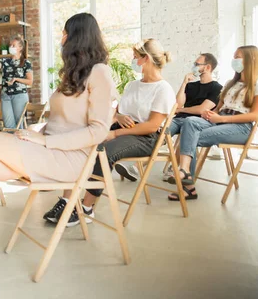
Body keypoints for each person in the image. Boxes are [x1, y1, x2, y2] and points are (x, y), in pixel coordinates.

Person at [0, 13, 115, 279]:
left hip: (69, 159)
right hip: (47, 149)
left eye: (65, 33)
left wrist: (46, 140)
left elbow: (98, 131)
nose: (62, 38)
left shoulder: (101, 73)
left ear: (78, 37)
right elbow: (62, 122)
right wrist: (37, 131)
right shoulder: (73, 75)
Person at [43, 38, 176, 227]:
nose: (133, 60)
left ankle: (86, 208)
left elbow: (152, 126)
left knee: (103, 152)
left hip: (145, 136)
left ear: (145, 58)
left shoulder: (163, 89)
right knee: (81, 142)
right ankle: (67, 201)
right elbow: (118, 111)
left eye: (135, 57)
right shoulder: (132, 85)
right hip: (123, 128)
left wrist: (113, 134)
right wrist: (119, 117)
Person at [167, 45, 258, 201]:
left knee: (190, 137)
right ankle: (185, 170)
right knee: (189, 122)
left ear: (251, 59)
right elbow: (219, 109)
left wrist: (221, 118)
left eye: (238, 57)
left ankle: (187, 185)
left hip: (241, 128)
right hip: (220, 121)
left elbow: (254, 115)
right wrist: (212, 114)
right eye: (234, 56)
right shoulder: (230, 83)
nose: (234, 60)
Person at [162, 53, 223, 181]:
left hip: (196, 122)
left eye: (197, 64)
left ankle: (179, 168)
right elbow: (177, 104)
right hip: (178, 119)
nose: (194, 66)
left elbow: (202, 109)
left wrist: (181, 110)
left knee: (187, 129)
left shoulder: (217, 88)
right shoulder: (191, 85)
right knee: (161, 133)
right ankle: (139, 164)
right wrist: (184, 83)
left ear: (207, 67)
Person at [0, 37, 33, 129]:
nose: (11, 47)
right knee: (8, 124)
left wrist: (17, 79)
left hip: (20, 95)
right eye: (10, 45)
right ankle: (11, 142)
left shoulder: (26, 63)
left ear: (20, 47)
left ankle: (20, 142)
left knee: (19, 123)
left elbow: (30, 81)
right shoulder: (5, 61)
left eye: (13, 45)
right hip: (5, 95)